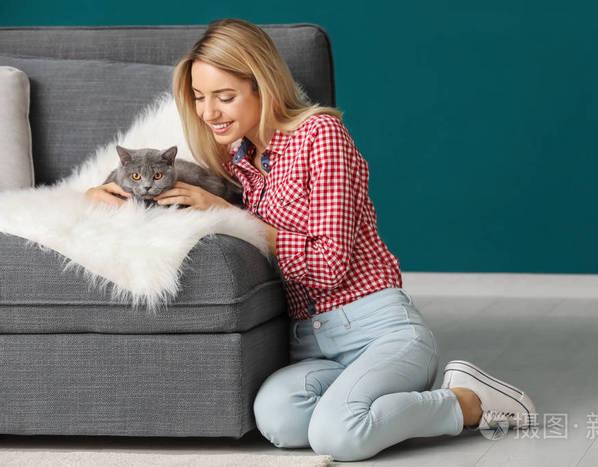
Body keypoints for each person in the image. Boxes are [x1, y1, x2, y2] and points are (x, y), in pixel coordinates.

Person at [86, 18, 536, 462]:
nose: (208, 113)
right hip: (311, 346)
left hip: (377, 327)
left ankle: (467, 401)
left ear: (262, 86)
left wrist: (230, 215)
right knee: (278, 421)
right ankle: (372, 404)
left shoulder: (321, 137)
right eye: (200, 98)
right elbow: (154, 183)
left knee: (338, 437)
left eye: (225, 97)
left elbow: (328, 265)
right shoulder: (238, 160)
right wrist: (97, 194)